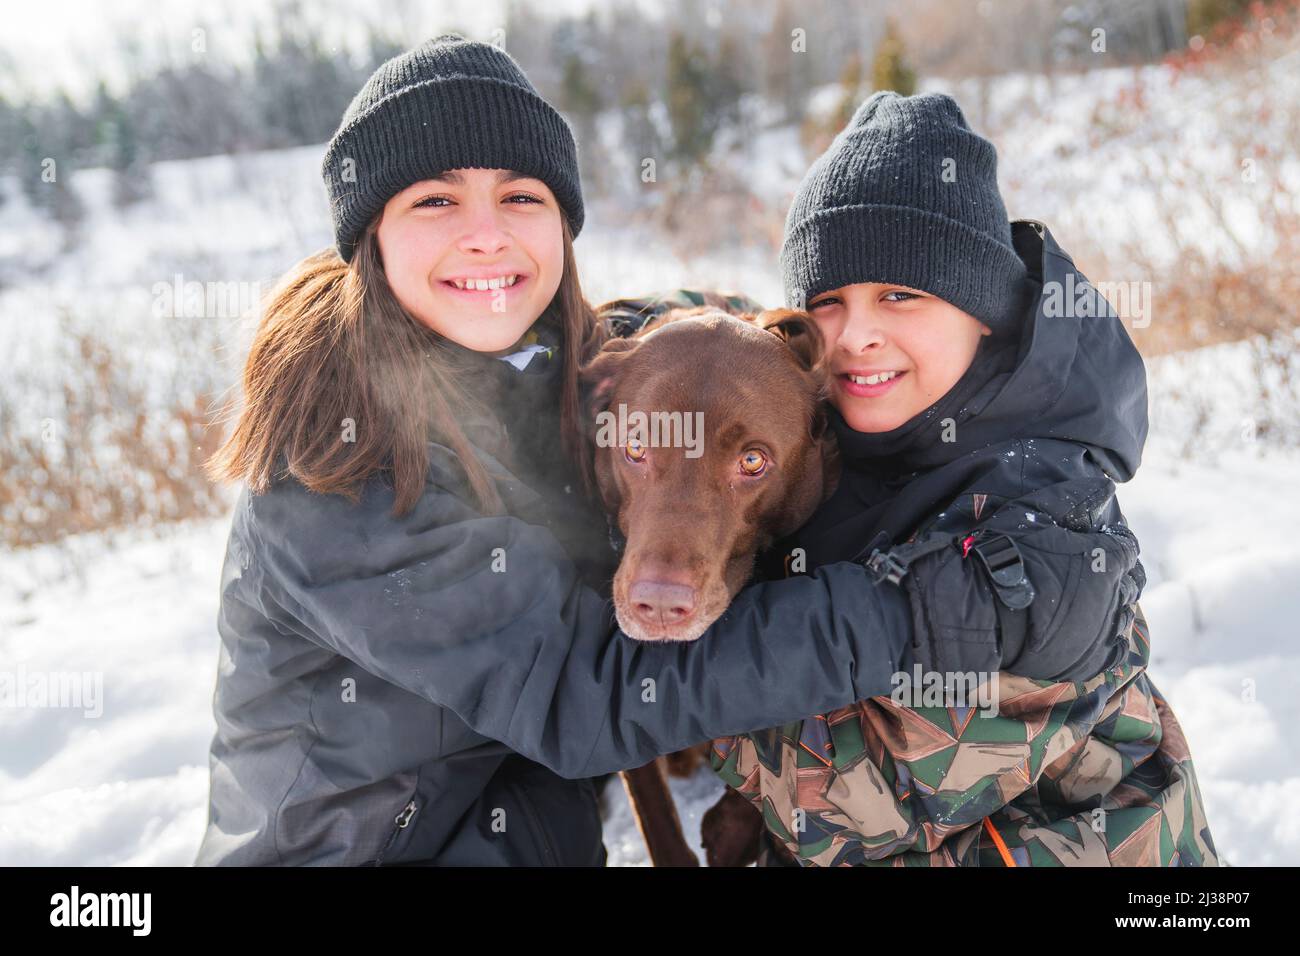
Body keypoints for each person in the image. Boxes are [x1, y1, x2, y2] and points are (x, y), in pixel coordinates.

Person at [194, 38, 1135, 867]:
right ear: (370, 237)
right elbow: (584, 691)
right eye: (435, 199)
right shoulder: (331, 467)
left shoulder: (550, 371)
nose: (486, 233)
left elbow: (684, 363)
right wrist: (903, 616)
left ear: (559, 230)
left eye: (520, 195)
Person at [709, 91, 1218, 867]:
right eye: (828, 302)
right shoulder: (860, 428)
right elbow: (729, 321)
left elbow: (851, 798)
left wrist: (643, 648)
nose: (858, 334)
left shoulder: (1040, 512)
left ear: (985, 310)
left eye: (901, 295)